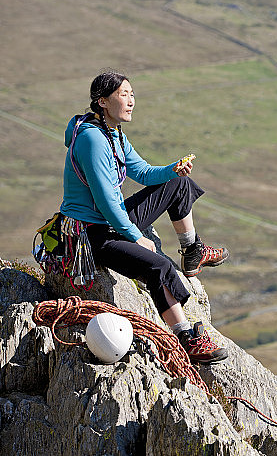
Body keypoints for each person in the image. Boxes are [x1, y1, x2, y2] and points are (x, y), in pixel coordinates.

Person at [60, 70, 229, 363]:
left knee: (178, 183)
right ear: (102, 101)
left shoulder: (112, 133)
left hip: (108, 221)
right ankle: (187, 337)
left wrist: (173, 169)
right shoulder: (93, 140)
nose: (131, 101)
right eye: (123, 94)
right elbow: (105, 200)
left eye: (132, 94)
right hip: (89, 234)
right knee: (158, 266)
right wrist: (135, 236)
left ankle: (192, 251)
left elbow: (143, 172)